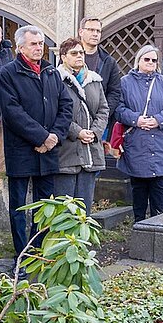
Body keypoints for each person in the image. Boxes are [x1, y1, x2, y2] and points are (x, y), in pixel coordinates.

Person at [0, 25, 71, 258]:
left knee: (45, 204)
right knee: (18, 206)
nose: (39, 48)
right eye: (33, 44)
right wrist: (41, 136)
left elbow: (66, 107)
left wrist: (54, 137)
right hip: (22, 149)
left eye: (41, 44)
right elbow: (12, 111)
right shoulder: (8, 73)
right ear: (20, 47)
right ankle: (22, 252)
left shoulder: (51, 72)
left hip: (48, 150)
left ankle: (39, 248)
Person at [116, 45, 163, 221]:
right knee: (138, 189)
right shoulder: (125, 82)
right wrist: (136, 119)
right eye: (147, 59)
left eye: (154, 60)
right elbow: (118, 108)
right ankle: (139, 228)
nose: (151, 63)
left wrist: (158, 120)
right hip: (137, 141)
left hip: (160, 140)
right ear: (139, 60)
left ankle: (158, 229)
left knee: (159, 188)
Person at [55, 36, 110, 214]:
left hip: (90, 151)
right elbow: (54, 112)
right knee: (65, 210)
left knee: (83, 210)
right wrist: (77, 132)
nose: (79, 56)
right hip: (66, 152)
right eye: (74, 53)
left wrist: (94, 133)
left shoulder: (94, 81)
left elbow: (103, 109)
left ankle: (81, 242)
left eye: (81, 52)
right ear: (63, 56)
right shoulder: (56, 80)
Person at [77, 17, 122, 126]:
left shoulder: (109, 62)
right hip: (74, 120)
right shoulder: (70, 57)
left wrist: (103, 116)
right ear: (81, 32)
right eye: (91, 30)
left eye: (98, 31)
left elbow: (114, 92)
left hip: (100, 123)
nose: (95, 34)